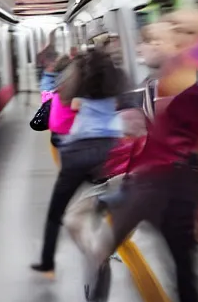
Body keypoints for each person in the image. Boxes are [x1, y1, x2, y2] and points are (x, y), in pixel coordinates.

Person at [72, 4, 198, 302]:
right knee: (183, 270)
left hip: (162, 185)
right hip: (159, 183)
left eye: (158, 38)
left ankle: (96, 293)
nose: (145, 46)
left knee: (98, 234)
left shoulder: (193, 86)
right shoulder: (155, 86)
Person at [30, 50, 126, 278]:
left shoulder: (74, 93)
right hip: (110, 154)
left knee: (57, 212)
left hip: (77, 154)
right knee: (100, 204)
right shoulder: (116, 90)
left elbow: (66, 107)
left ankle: (47, 263)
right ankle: (106, 249)